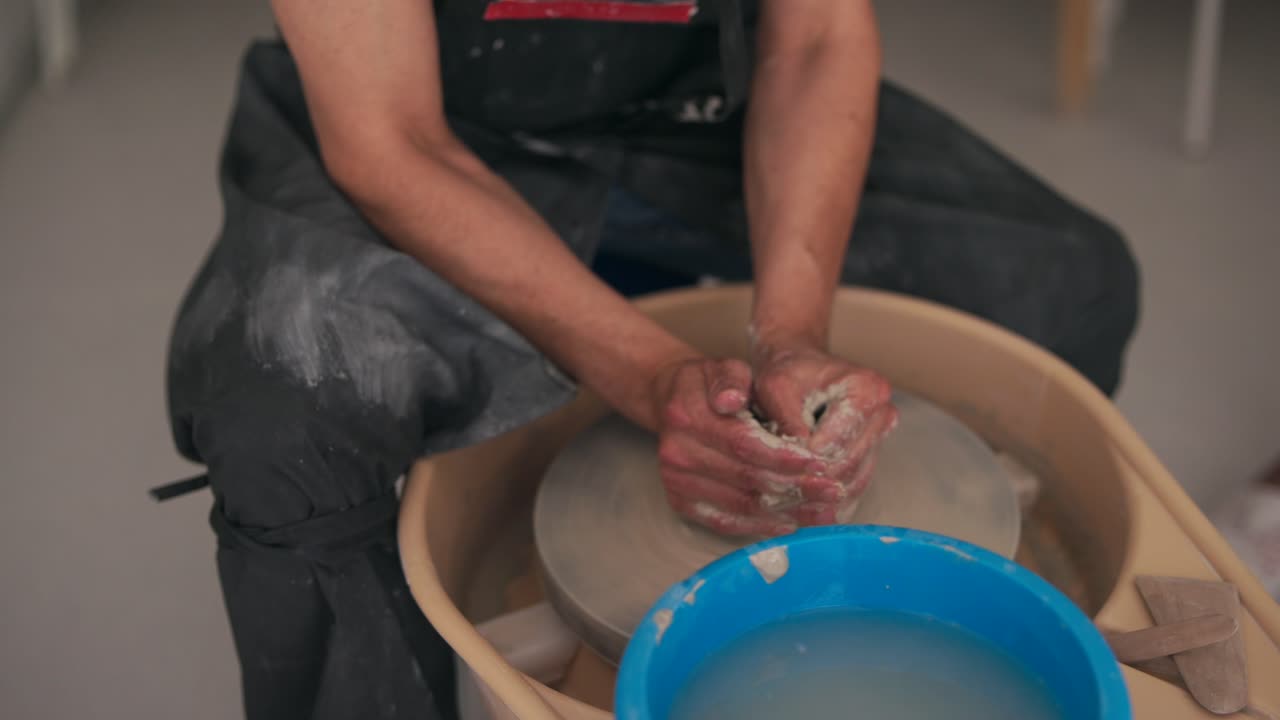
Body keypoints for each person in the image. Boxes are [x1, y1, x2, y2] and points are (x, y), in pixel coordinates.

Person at [159, 0, 1139, 717]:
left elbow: (813, 40)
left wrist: (789, 335)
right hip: (433, 129)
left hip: (699, 115)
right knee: (284, 409)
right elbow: (389, 141)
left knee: (1065, 285)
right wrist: (654, 376)